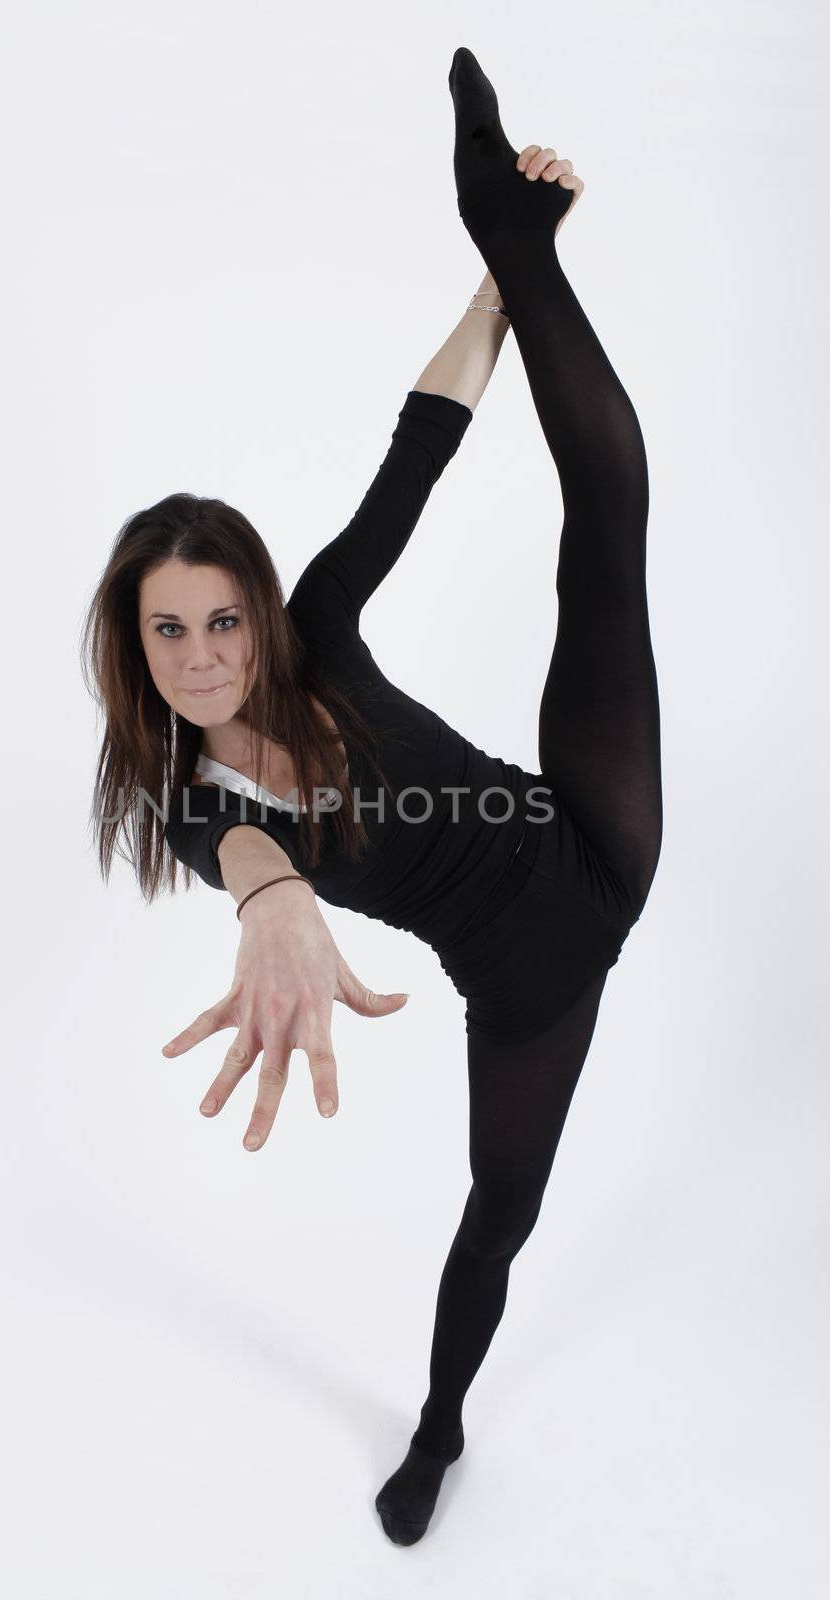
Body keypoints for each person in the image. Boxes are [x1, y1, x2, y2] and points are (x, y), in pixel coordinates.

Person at [82, 47, 662, 1547]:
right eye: (170, 630)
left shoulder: (321, 625)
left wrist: (495, 283)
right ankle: (441, 1425)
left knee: (609, 518)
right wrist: (273, 909)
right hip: (530, 986)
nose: (205, 655)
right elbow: (252, 862)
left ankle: (509, 233)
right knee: (501, 1222)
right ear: (133, 648)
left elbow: (426, 444)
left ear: (256, 615)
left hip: (592, 827)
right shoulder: (193, 803)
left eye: (222, 620)